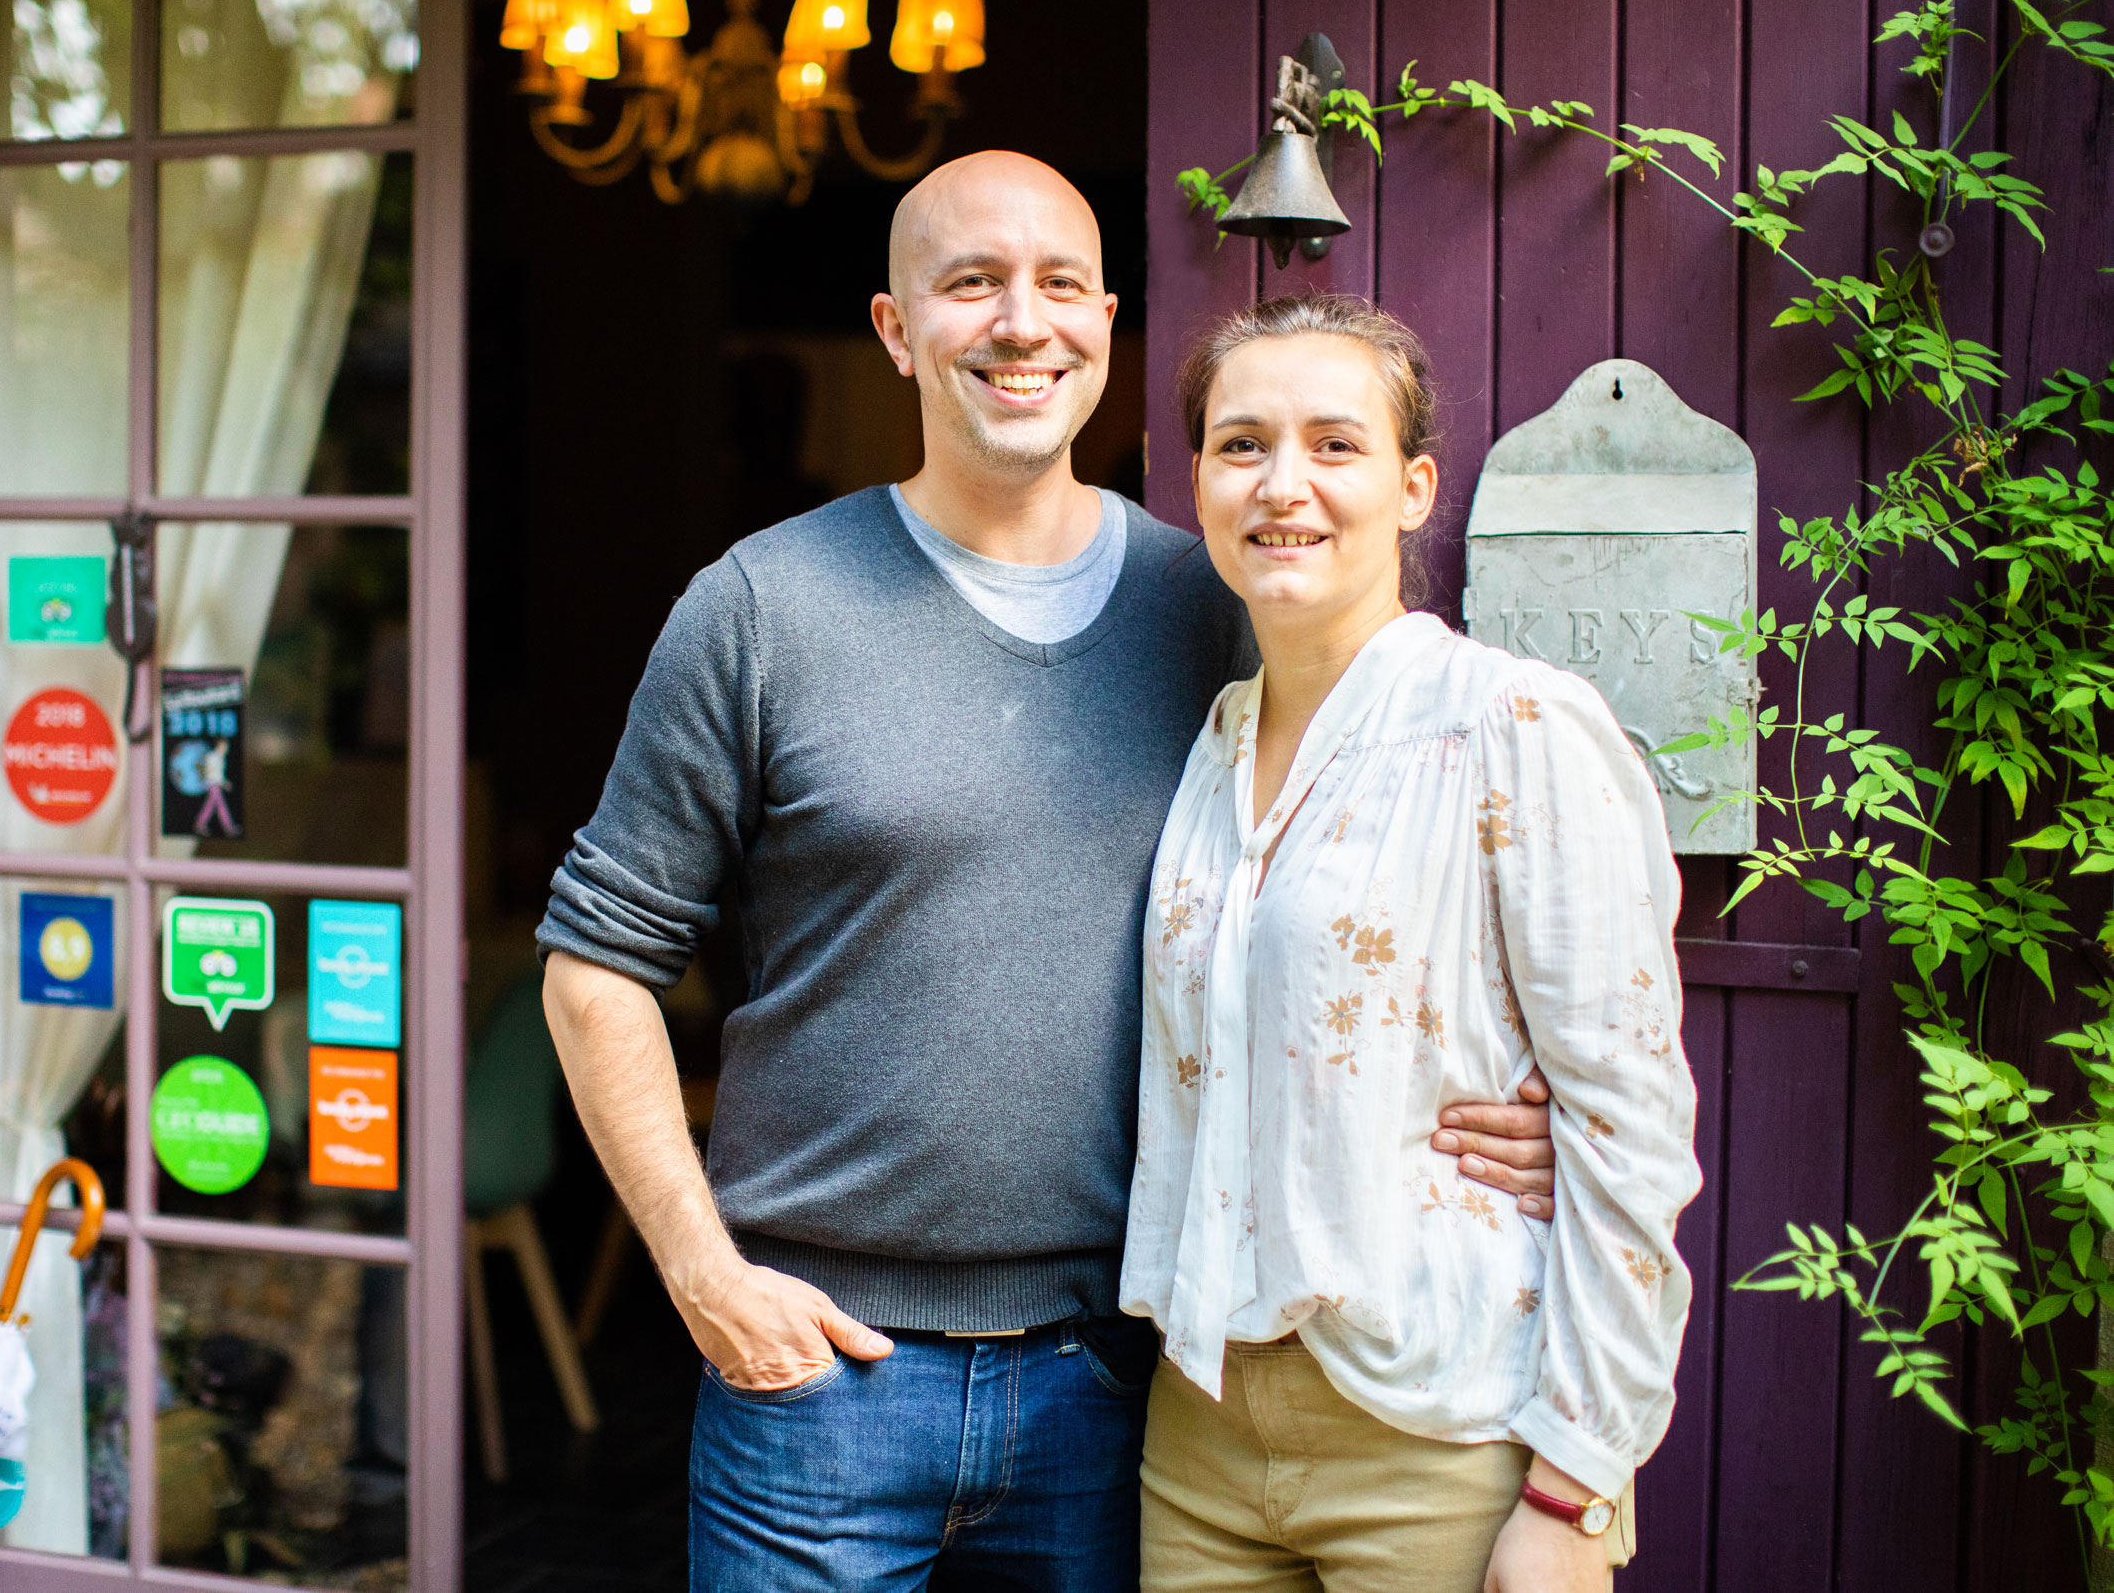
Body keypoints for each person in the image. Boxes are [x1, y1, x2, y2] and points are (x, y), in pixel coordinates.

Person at [537, 151, 1559, 1592]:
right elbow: (597, 964)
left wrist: (1524, 1101)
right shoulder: (761, 609)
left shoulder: (1216, 614)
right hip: (820, 1384)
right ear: (897, 329)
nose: (1024, 322)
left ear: (1104, 322)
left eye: (1059, 284)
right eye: (971, 284)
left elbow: (1402, 876)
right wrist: (703, 1275)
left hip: (1119, 1381)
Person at [1121, 294, 1702, 1593]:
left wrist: (1572, 1487)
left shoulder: (1517, 727)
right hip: (1200, 1435)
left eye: (1336, 444)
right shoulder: (1213, 744)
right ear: (1199, 481)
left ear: (1415, 485)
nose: (1286, 485)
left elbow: (1631, 1127)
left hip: (1443, 1422)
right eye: (1241, 444)